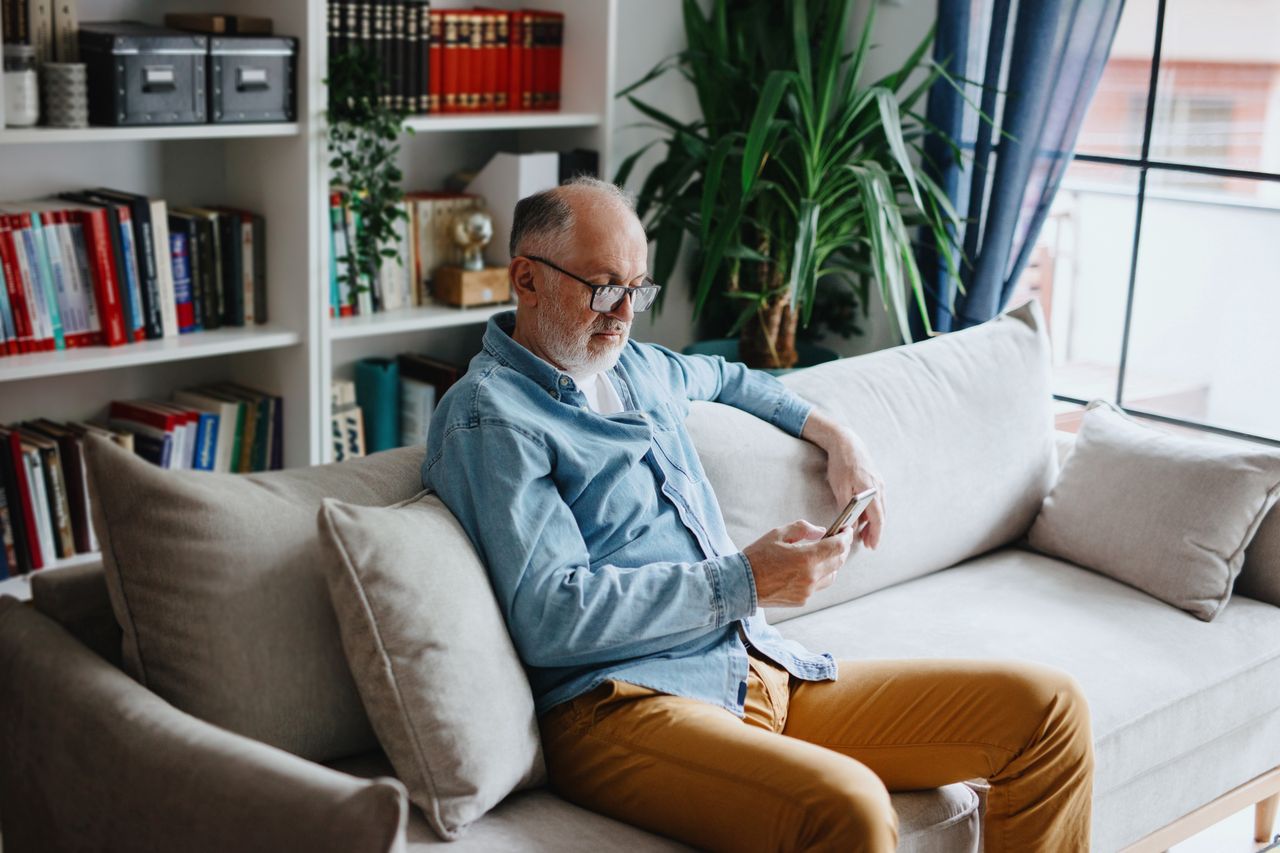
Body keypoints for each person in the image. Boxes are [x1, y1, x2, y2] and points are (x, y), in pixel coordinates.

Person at [423, 177, 1093, 852]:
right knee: (850, 810)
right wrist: (747, 579)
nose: (623, 313)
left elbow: (731, 377)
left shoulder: (637, 370)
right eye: (603, 287)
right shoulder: (491, 416)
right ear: (527, 279)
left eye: (638, 289)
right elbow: (550, 617)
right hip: (619, 704)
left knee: (1048, 712)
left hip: (753, 665)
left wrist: (837, 435)